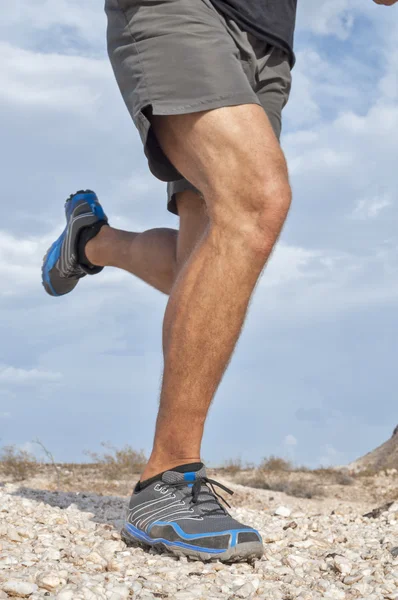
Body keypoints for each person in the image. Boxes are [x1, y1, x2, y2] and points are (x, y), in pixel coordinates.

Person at [42, 0, 398, 563]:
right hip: (183, 8)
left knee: (207, 259)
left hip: (268, 45)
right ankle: (166, 478)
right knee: (256, 201)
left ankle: (92, 242)